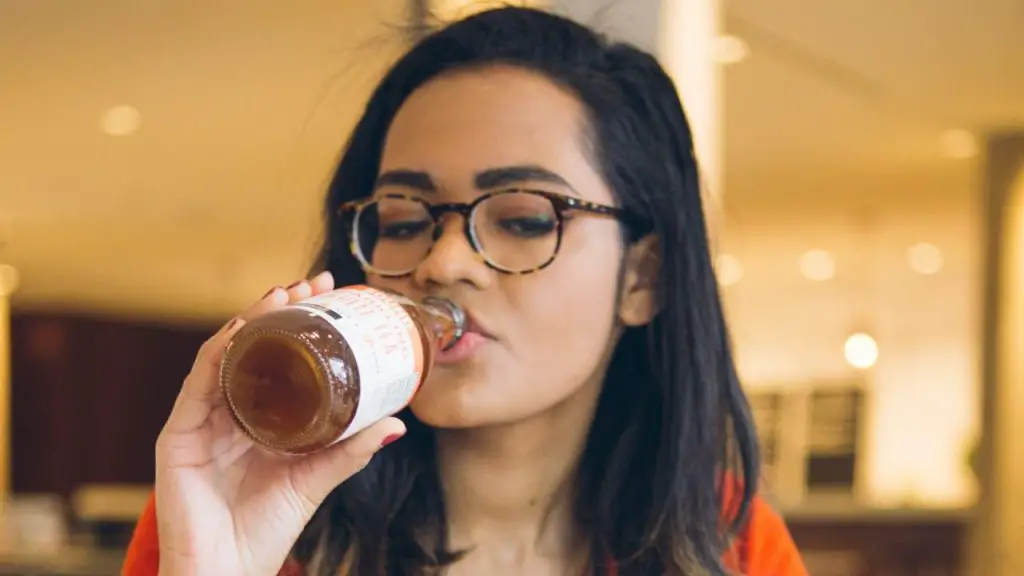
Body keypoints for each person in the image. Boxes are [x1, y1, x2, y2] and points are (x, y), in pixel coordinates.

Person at [123, 6, 806, 576]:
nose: (443, 261)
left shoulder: (727, 544)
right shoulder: (243, 513)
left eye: (523, 219)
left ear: (643, 278)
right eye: (402, 219)